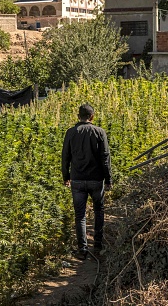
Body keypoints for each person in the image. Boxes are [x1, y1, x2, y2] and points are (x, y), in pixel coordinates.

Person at [62, 104, 112, 260]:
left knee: (80, 216)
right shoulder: (99, 132)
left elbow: (65, 157)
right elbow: (105, 158)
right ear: (92, 116)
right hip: (96, 179)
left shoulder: (70, 133)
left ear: (78, 116)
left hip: (77, 180)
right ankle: (97, 246)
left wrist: (66, 177)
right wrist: (108, 179)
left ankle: (82, 250)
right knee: (99, 211)